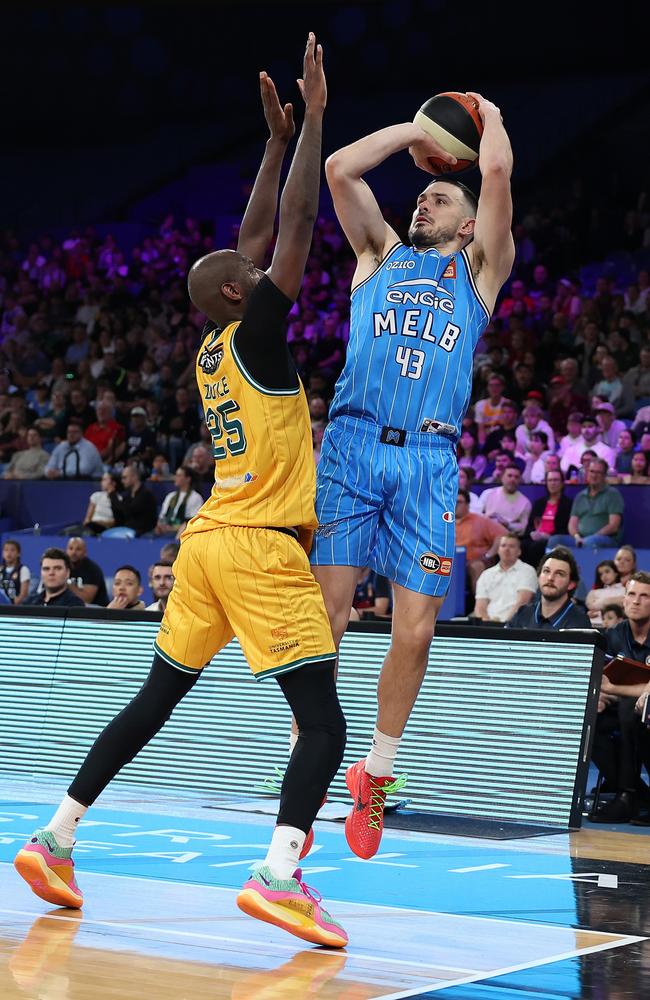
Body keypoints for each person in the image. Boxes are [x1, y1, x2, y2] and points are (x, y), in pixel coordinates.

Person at [15, 38, 348, 949]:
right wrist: (316, 121)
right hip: (257, 543)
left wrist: (272, 146)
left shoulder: (214, 344)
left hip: (201, 544)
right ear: (246, 293)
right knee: (323, 723)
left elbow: (246, 246)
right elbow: (294, 230)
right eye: (259, 275)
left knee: (158, 695)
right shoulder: (262, 339)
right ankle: (280, 874)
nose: (271, 269)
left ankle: (57, 835)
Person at [309, 89, 514, 858]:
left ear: (468, 224)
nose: (422, 201)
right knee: (325, 617)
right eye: (421, 195)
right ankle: (317, 759)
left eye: (438, 196)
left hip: (428, 458)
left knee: (417, 632)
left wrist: (484, 119)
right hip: (354, 449)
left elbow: (495, 176)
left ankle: (376, 775)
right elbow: (338, 170)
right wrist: (415, 133)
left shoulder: (481, 272)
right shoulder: (378, 255)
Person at [589, 573, 650, 824]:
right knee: (591, 720)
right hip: (622, 711)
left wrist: (614, 689)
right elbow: (603, 681)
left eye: (644, 596)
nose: (636, 601)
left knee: (630, 708)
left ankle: (627, 796)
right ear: (624, 600)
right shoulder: (613, 636)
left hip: (645, 712)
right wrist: (603, 696)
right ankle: (635, 793)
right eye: (631, 594)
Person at [506, 547, 591, 629]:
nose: (550, 578)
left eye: (559, 574)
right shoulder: (523, 614)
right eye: (546, 571)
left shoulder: (579, 622)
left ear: (571, 584)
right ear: (538, 577)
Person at [549, 457, 624, 549]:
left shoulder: (613, 494)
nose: (594, 475)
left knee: (590, 542)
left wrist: (594, 536)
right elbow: (572, 523)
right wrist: (577, 537)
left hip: (604, 538)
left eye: (598, 472)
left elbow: (614, 526)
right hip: (580, 539)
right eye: (592, 471)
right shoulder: (580, 496)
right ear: (587, 473)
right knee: (554, 540)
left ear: (604, 475)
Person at [471, 533, 537, 623]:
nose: (506, 549)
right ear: (498, 550)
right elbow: (480, 606)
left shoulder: (527, 571)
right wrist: (486, 624)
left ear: (519, 551)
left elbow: (522, 602)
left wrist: (505, 624)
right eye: (503, 546)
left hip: (514, 624)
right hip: (488, 624)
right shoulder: (486, 574)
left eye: (511, 546)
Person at [454, 488, 505, 593]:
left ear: (467, 505)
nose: (454, 504)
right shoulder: (442, 521)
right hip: (449, 562)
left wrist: (488, 555)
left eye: (459, 502)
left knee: (477, 566)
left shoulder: (480, 520)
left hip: (473, 561)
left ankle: (480, 606)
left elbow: (503, 535)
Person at [520, 468, 572, 567]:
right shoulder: (539, 503)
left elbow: (566, 529)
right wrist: (532, 533)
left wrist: (548, 536)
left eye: (556, 480)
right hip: (536, 538)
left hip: (553, 539)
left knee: (536, 547)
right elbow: (530, 526)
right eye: (550, 480)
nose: (553, 483)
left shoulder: (568, 504)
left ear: (562, 483)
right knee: (521, 545)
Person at [480, 463, 532, 536]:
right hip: (486, 533)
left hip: (508, 538)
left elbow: (523, 528)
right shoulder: (487, 493)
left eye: (516, 477)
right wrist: (487, 517)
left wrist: (508, 524)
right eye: (509, 476)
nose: (512, 479)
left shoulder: (525, 503)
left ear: (520, 480)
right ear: (502, 477)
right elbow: (476, 516)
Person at [109, 462, 158, 536]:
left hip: (144, 533)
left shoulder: (145, 494)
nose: (122, 481)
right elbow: (120, 516)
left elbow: (129, 510)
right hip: (127, 531)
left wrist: (112, 495)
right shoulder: (127, 496)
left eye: (124, 478)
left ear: (134, 477)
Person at [154, 465, 204, 538]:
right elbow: (162, 517)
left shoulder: (195, 497)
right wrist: (160, 526)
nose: (176, 478)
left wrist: (173, 528)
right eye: (176, 475)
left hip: (181, 533)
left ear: (188, 479)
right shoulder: (170, 496)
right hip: (164, 530)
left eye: (179, 475)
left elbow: (192, 522)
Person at [65, 537, 109, 607]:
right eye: (71, 548)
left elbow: (86, 599)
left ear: (85, 552)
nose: (73, 552)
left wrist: (65, 583)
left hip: (95, 609)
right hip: (73, 607)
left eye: (78, 549)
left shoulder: (93, 570)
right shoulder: (63, 567)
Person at [585, 559, 625, 625]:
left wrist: (600, 603)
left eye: (607, 571)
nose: (604, 576)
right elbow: (591, 605)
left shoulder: (625, 590)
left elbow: (623, 603)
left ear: (616, 573)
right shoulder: (594, 592)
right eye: (601, 574)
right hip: (594, 625)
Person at [0, 539, 31, 605]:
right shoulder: (0, 569)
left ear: (18, 553)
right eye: (6, 550)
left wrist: (12, 606)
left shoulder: (23, 570)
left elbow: (24, 595)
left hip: (15, 608)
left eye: (12, 550)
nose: (9, 553)